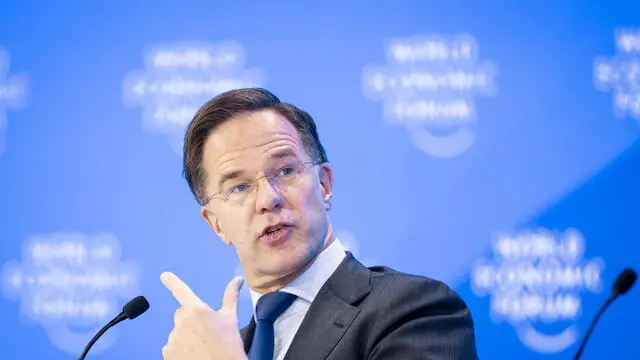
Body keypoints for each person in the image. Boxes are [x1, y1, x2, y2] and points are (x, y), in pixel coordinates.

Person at [159, 88, 479, 360]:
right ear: (216, 224)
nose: (268, 199)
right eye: (239, 187)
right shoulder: (232, 348)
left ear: (324, 185)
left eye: (285, 171)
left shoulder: (416, 309)